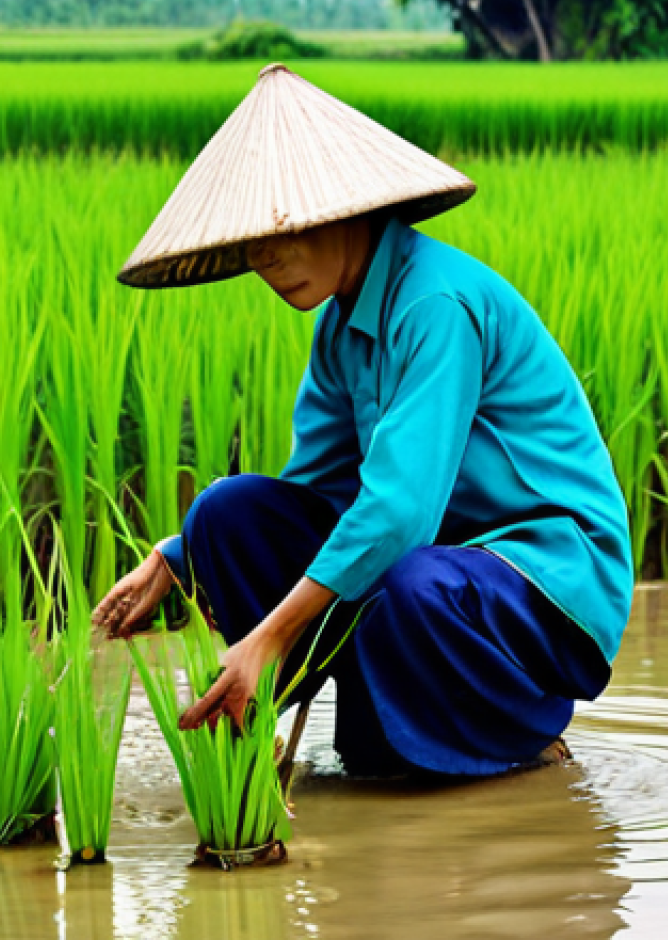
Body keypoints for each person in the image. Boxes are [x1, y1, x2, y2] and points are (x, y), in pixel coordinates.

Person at [94, 64, 634, 778]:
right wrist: (178, 551)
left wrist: (268, 636)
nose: (268, 259)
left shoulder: (434, 304)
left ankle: (516, 731)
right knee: (229, 512)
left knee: (407, 614)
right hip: (436, 569)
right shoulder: (342, 326)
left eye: (285, 227)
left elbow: (400, 512)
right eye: (251, 241)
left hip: (546, 579)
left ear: (344, 207)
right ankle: (280, 713)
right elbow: (315, 494)